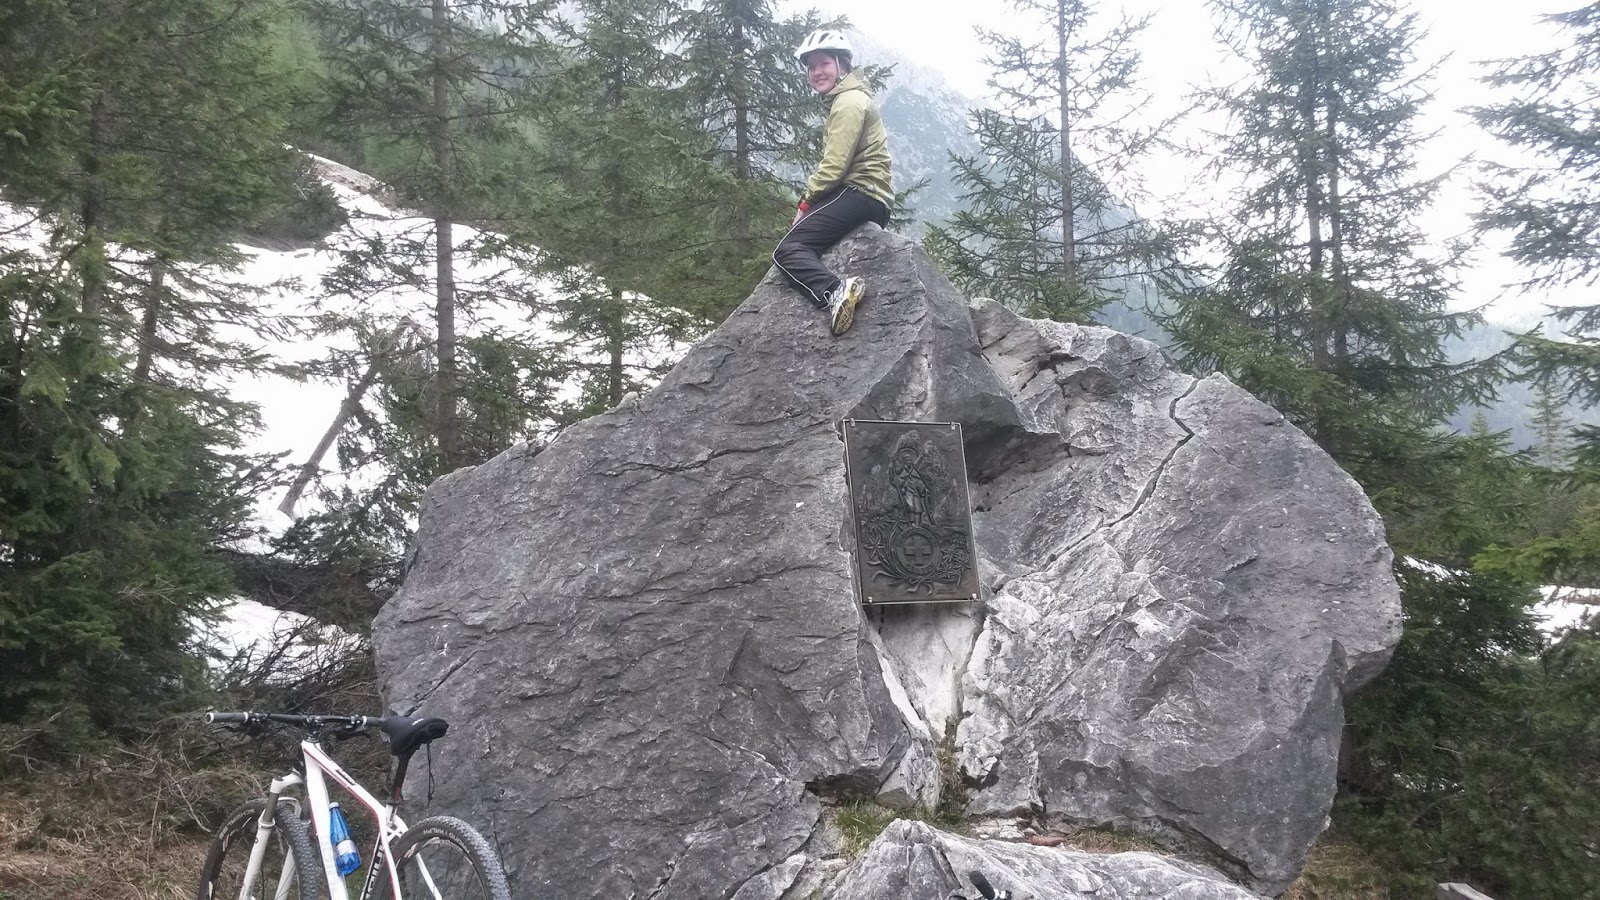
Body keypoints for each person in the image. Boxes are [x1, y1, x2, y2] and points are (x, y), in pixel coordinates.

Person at [773, 29, 893, 336]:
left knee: (788, 249)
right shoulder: (850, 98)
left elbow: (834, 167)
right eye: (811, 67)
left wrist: (805, 204)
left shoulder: (849, 102)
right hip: (870, 198)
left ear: (842, 65)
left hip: (860, 192)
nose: (817, 72)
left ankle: (836, 290)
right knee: (802, 242)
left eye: (824, 63)